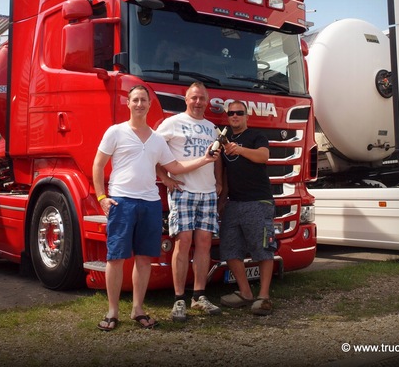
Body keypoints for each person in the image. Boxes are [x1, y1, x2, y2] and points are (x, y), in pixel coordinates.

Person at [92, 85, 218, 331]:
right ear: (128, 103)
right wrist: (101, 197)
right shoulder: (115, 132)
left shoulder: (157, 139)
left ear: (150, 105)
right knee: (116, 258)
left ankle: (138, 309)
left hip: (150, 202)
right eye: (135, 100)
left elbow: (175, 166)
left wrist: (205, 159)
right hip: (122, 201)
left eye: (143, 101)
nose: (139, 104)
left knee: (144, 259)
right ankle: (112, 311)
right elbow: (98, 165)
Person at [156, 82, 223, 322]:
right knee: (183, 243)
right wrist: (164, 178)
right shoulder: (172, 123)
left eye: (202, 98)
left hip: (206, 193)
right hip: (183, 191)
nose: (198, 102)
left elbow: (217, 157)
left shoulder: (212, 128)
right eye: (194, 98)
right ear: (186, 99)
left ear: (207, 101)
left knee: (204, 243)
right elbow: (154, 150)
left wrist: (218, 182)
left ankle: (199, 296)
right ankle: (179, 300)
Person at [218, 100, 275, 316]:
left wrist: (240, 149)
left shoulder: (256, 136)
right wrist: (223, 199)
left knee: (262, 249)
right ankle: (245, 293)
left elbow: (264, 156)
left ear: (246, 115)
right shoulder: (223, 141)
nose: (234, 116)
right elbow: (224, 173)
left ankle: (264, 296)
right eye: (231, 113)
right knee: (230, 249)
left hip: (258, 201)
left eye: (239, 113)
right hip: (234, 202)